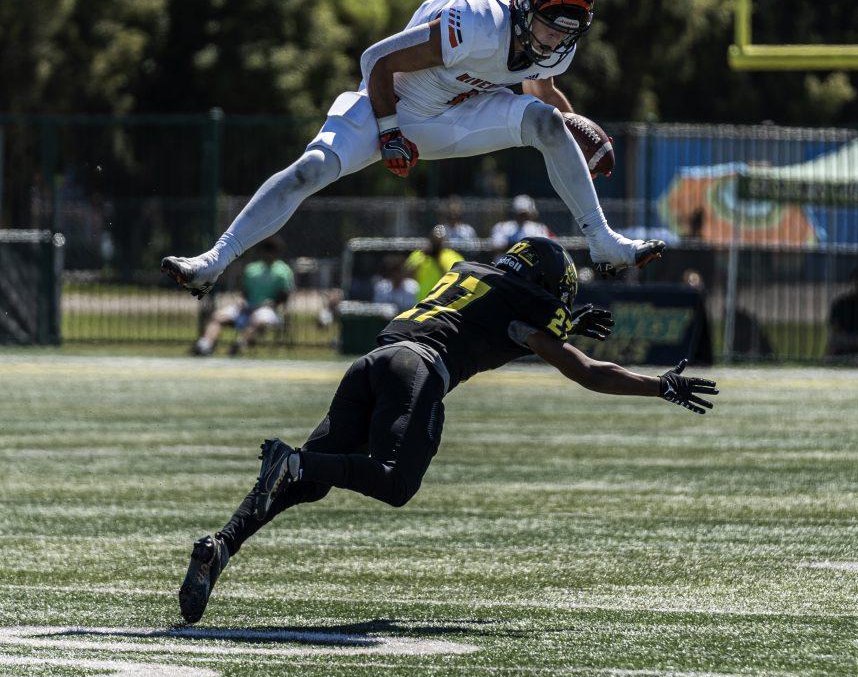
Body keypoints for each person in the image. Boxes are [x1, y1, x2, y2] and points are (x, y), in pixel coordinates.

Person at [177, 237, 718, 623]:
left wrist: (563, 321)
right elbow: (588, 371)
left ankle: (221, 545)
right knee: (392, 482)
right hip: (417, 370)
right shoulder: (524, 303)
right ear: (542, 283)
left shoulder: (471, 272)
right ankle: (291, 461)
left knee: (310, 484)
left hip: (374, 361)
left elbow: (490, 316)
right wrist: (658, 385)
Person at [161, 0, 663, 297]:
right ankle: (214, 261)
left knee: (547, 124)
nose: (555, 40)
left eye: (566, 31)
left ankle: (601, 240)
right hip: (390, 102)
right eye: (549, 25)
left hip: (454, 117)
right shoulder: (478, 20)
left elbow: (541, 89)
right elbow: (377, 61)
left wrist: (576, 127)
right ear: (523, 6)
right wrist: (389, 131)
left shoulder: (561, 42)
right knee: (308, 171)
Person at [192, 237, 294, 357]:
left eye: (272, 250)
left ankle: (238, 345)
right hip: (246, 308)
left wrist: (270, 304)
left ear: (277, 252)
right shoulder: (252, 269)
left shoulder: (283, 271)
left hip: (268, 309)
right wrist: (242, 302)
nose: (268, 253)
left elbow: (284, 295)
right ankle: (204, 346)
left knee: (259, 319)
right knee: (218, 316)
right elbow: (244, 292)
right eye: (266, 250)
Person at [405, 225, 464, 298]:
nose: (437, 244)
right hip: (423, 300)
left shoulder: (452, 256)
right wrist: (422, 256)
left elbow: (455, 279)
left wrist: (437, 260)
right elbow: (407, 275)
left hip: (444, 300)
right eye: (434, 241)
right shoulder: (420, 254)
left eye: (439, 242)